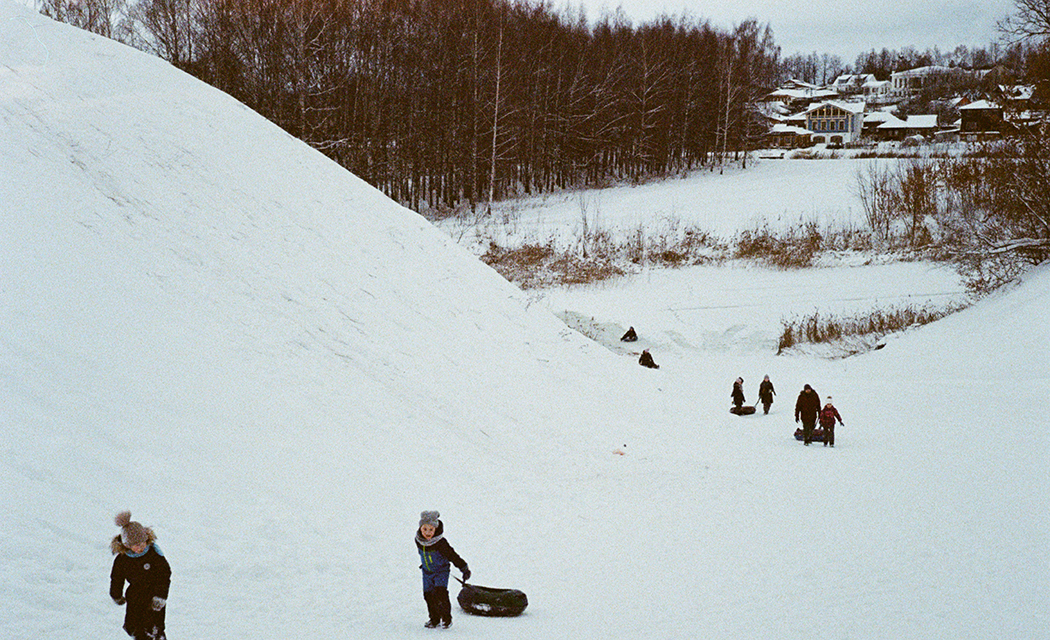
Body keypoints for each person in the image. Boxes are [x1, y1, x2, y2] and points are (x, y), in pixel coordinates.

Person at [110, 511, 171, 640]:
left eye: (143, 543)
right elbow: (117, 578)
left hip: (154, 594)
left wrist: (160, 595)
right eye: (136, 545)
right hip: (135, 595)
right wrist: (116, 595)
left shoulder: (153, 554)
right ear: (127, 545)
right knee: (133, 625)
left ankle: (158, 636)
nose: (141, 547)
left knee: (155, 626)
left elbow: (164, 575)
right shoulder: (122, 559)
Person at [416, 511, 470, 629]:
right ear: (420, 528)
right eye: (425, 529)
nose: (427, 533)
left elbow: (452, 555)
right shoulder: (419, 540)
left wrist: (464, 568)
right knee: (428, 595)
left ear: (436, 529)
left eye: (431, 529)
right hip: (427, 572)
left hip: (441, 571)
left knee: (440, 594)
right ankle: (434, 619)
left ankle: (446, 619)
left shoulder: (441, 543)